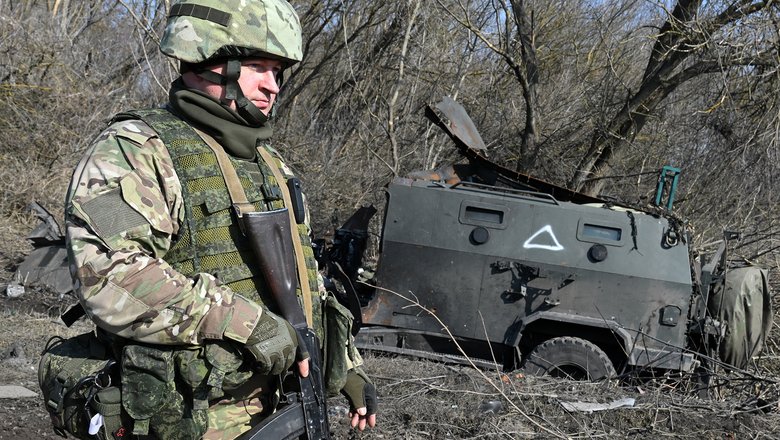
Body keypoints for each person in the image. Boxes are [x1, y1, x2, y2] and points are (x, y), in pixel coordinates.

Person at [63, 0, 377, 438]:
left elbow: (305, 280)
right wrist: (247, 324)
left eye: (278, 71)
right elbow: (108, 274)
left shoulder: (270, 164)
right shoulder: (134, 152)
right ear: (208, 62)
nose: (273, 86)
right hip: (190, 415)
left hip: (283, 403)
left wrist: (345, 367)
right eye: (257, 67)